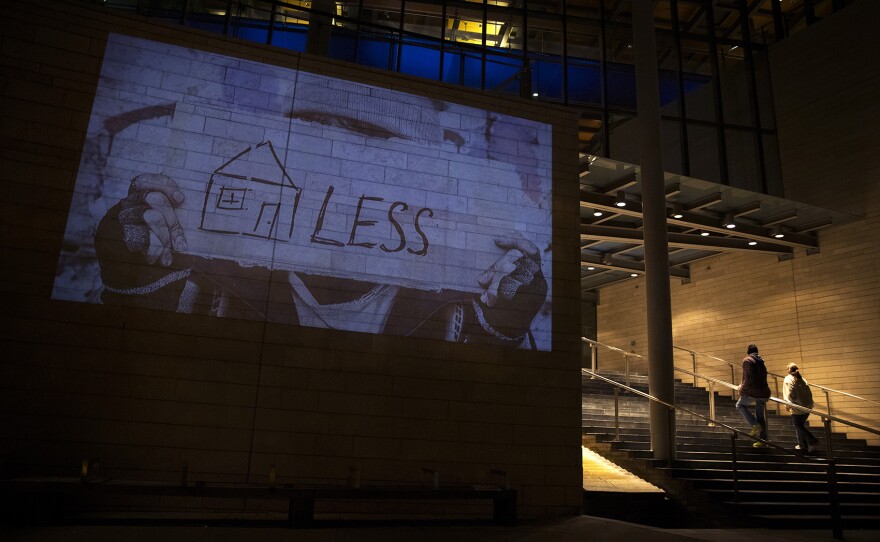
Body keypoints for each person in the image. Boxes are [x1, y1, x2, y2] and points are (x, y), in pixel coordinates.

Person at [736, 344, 772, 447]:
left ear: (748, 352)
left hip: (754, 392)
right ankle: (763, 440)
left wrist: (742, 389)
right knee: (760, 416)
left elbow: (749, 378)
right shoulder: (761, 360)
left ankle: (755, 425)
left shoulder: (747, 360)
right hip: (764, 393)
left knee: (739, 405)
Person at [783, 362, 820, 454]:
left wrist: (787, 405)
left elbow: (789, 393)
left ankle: (812, 440)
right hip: (807, 407)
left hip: (797, 407)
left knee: (798, 426)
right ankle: (802, 445)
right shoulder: (802, 379)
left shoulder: (788, 379)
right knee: (800, 426)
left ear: (788, 370)